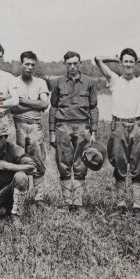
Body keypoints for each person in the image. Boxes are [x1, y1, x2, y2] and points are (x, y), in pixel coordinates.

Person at [94, 49, 140, 216]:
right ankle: (121, 205)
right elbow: (98, 58)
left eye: (131, 62)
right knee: (119, 165)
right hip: (118, 126)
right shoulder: (114, 80)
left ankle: (136, 207)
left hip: (136, 126)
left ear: (135, 63)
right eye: (125, 61)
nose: (128, 65)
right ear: (121, 63)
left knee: (137, 167)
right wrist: (117, 57)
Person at [49, 51, 99, 211]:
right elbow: (53, 107)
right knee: (63, 164)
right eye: (69, 63)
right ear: (65, 64)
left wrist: (94, 131)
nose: (72, 66)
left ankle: (77, 203)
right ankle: (66, 202)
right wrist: (51, 131)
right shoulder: (57, 83)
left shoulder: (90, 83)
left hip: (83, 126)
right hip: (62, 126)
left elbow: (93, 108)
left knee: (81, 164)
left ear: (80, 63)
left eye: (75, 63)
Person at [10, 51, 49, 204]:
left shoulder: (40, 83)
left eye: (33, 64)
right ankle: (19, 197)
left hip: (35, 127)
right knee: (19, 159)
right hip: (18, 125)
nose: (30, 67)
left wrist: (23, 101)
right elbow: (13, 107)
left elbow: (45, 104)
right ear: (21, 64)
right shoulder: (13, 82)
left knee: (38, 161)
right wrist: (34, 104)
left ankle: (39, 197)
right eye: (27, 64)